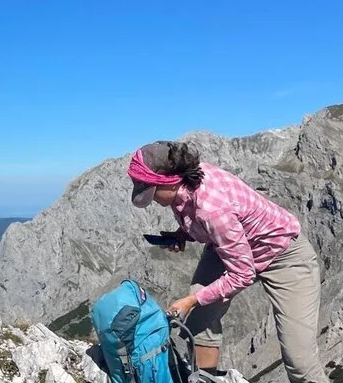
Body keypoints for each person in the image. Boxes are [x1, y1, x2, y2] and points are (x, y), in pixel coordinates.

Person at [127, 140, 328, 383]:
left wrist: (191, 300)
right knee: (199, 323)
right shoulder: (185, 183)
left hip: (285, 257)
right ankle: (201, 378)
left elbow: (241, 275)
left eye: (152, 190)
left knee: (300, 362)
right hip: (231, 246)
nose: (153, 199)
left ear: (168, 180)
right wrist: (183, 234)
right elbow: (214, 226)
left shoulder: (211, 206)